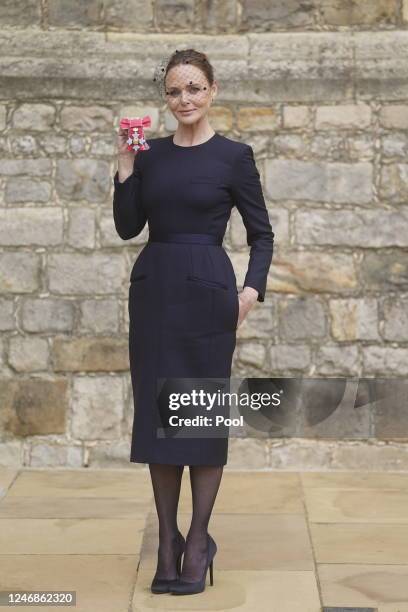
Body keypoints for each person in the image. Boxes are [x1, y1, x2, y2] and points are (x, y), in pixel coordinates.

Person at [112, 48, 274, 595]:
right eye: (175, 91)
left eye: (194, 89)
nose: (185, 99)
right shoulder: (150, 155)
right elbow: (128, 227)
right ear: (166, 98)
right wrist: (126, 165)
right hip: (155, 293)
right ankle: (168, 539)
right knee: (159, 416)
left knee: (197, 415)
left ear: (212, 90)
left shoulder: (234, 156)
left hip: (208, 293)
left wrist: (249, 292)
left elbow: (262, 234)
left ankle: (199, 541)